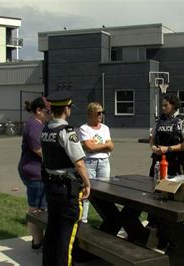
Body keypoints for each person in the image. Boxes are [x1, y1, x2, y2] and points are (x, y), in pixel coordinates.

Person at [40, 91, 91, 266]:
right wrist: (87, 182)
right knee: (66, 237)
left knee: (52, 231)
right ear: (66, 109)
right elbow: (79, 163)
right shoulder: (67, 132)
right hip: (66, 189)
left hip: (51, 187)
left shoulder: (46, 129)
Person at [17, 96, 51, 250]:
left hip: (37, 171)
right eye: (48, 111)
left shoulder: (38, 124)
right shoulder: (33, 126)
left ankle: (39, 239)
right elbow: (39, 150)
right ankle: (37, 241)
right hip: (34, 172)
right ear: (38, 110)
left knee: (40, 207)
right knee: (36, 209)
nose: (50, 114)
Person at [78, 102, 114, 223]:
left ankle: (105, 218)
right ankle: (83, 219)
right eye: (98, 113)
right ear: (90, 114)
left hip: (104, 161)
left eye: (102, 113)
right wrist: (105, 145)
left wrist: (98, 146)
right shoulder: (84, 128)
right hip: (89, 162)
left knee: (104, 191)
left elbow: (111, 146)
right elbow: (89, 147)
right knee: (87, 190)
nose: (101, 115)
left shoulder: (105, 128)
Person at [149, 94, 184, 177]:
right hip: (158, 162)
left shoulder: (182, 121)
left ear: (173, 105)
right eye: (162, 105)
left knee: (173, 188)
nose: (163, 108)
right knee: (153, 187)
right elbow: (152, 139)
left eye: (166, 105)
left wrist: (168, 149)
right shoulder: (159, 121)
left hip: (175, 163)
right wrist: (154, 148)